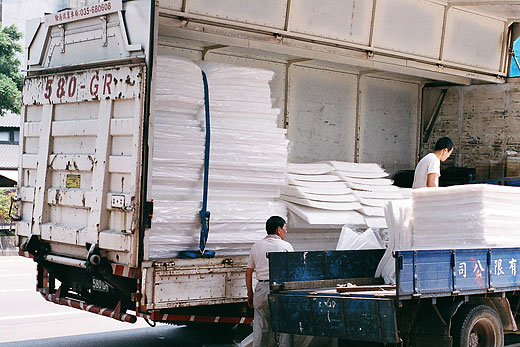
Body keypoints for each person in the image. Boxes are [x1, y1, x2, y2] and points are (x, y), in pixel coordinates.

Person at [246, 216, 293, 347]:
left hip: (261, 289)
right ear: (278, 229)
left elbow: (249, 271)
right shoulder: (286, 246)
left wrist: (250, 293)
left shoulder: (256, 246)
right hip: (279, 289)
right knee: (284, 325)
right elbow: (292, 270)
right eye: (285, 228)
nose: (286, 231)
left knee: (260, 326)